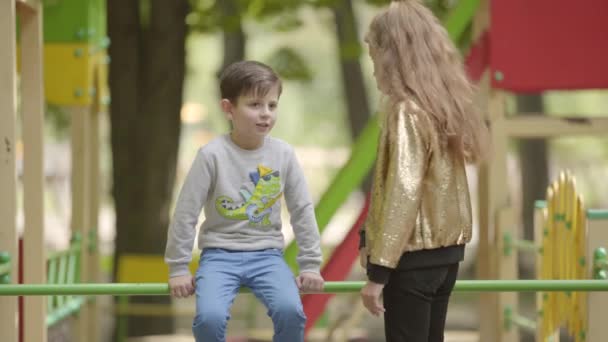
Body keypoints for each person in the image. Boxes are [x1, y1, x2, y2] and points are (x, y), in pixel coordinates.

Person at [164, 60, 324, 342]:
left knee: (291, 312)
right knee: (209, 319)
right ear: (228, 108)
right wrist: (178, 267)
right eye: (255, 105)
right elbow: (186, 213)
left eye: (272, 105)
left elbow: (302, 210)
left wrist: (310, 264)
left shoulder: (283, 155)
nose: (265, 114)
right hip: (218, 256)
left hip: (267, 256)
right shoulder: (211, 155)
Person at [358, 1, 489, 341]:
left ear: (392, 55)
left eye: (374, 57)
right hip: (445, 261)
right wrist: (366, 238)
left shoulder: (406, 112)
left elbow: (403, 192)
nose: (373, 71)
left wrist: (379, 273)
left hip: (412, 260)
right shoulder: (441, 107)